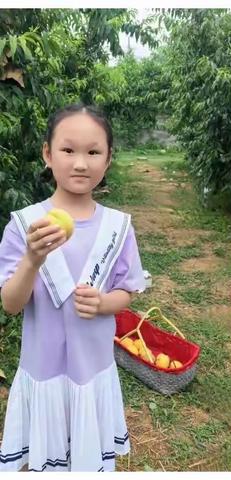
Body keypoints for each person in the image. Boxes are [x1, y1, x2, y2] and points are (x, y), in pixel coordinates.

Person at [0, 104, 145, 472]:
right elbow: (11, 304)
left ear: (108, 159)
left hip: (91, 370)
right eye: (68, 150)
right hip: (43, 368)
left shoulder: (118, 227)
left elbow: (126, 291)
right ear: (47, 154)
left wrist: (102, 303)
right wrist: (32, 260)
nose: (81, 163)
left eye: (93, 152)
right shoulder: (26, 226)